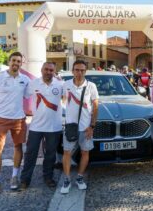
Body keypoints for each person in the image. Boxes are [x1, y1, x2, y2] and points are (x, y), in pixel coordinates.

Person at [0, 51, 30, 197]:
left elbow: (33, 93)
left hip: (19, 119)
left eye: (19, 61)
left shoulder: (26, 79)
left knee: (18, 147)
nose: (16, 63)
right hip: (1, 119)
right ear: (9, 61)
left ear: (21, 64)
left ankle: (14, 176)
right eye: (14, 60)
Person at [19, 62, 63, 190]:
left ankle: (48, 177)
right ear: (41, 70)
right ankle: (25, 180)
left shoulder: (60, 84)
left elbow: (68, 99)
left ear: (54, 71)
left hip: (54, 127)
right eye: (46, 69)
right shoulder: (33, 83)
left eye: (51, 70)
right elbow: (21, 96)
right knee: (30, 154)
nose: (48, 72)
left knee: (50, 155)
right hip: (36, 127)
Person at [61, 60, 99, 194]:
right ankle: (66, 179)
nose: (79, 72)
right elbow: (63, 100)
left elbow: (95, 106)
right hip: (70, 126)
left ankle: (80, 177)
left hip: (85, 127)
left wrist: (92, 126)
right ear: (72, 71)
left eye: (82, 70)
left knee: (85, 152)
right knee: (67, 153)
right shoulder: (66, 84)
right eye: (77, 70)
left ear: (85, 71)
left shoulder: (91, 86)